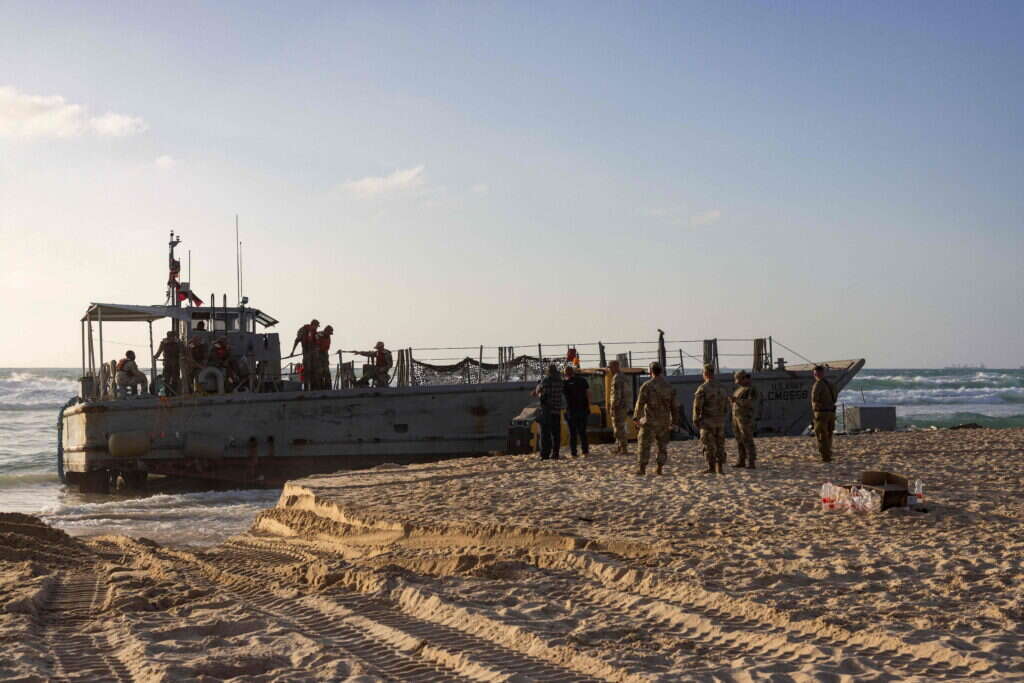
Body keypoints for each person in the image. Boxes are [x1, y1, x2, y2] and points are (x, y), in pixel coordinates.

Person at [632, 361, 678, 475]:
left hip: (650, 422)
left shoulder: (647, 386)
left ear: (651, 371)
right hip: (664, 422)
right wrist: (675, 422)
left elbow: (640, 403)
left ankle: (642, 469)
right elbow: (675, 407)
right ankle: (659, 468)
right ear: (661, 371)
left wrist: (636, 418)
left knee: (644, 445)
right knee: (662, 446)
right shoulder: (669, 387)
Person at [693, 364, 729, 474]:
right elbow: (726, 406)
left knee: (709, 445)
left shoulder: (703, 388)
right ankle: (720, 468)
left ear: (705, 373)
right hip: (720, 421)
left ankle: (712, 467)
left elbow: (697, 406)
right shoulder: (722, 388)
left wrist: (696, 419)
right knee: (720, 444)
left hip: (707, 422)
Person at [532, 364, 564, 460]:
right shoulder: (560, 381)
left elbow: (538, 392)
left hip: (547, 410)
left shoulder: (546, 380)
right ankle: (555, 454)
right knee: (556, 434)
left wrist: (538, 387)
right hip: (557, 410)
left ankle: (544, 454)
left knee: (545, 434)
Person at [730, 370, 761, 469]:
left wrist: (737, 400)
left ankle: (751, 462)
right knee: (739, 439)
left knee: (747, 439)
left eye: (739, 380)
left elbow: (751, 403)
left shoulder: (752, 390)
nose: (737, 382)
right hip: (737, 417)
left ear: (745, 378)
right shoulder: (739, 390)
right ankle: (741, 460)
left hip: (746, 418)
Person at [811, 364, 838, 462]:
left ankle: (825, 457)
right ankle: (829, 453)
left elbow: (814, 400)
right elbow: (835, 398)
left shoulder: (818, 384)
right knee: (829, 434)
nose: (815, 375)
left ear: (817, 374)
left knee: (822, 436)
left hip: (822, 414)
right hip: (831, 412)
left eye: (815, 373)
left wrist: (815, 413)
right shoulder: (830, 384)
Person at [562, 366, 590, 457]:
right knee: (582, 432)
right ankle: (585, 451)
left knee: (572, 433)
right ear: (573, 372)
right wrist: (588, 405)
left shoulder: (565, 383)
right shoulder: (582, 380)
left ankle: (574, 453)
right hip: (583, 409)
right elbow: (588, 393)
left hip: (571, 411)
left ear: (566, 373)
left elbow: (562, 396)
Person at [608, 360, 631, 454]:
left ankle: (623, 449)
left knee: (619, 428)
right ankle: (620, 447)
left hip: (619, 407)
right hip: (624, 405)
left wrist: (613, 407)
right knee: (620, 427)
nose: (609, 370)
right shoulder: (624, 377)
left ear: (615, 366)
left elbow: (617, 394)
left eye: (610, 367)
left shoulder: (617, 378)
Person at [290, 319, 320, 391]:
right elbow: (297, 340)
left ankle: (314, 388)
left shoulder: (314, 332)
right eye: (316, 326)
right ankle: (306, 388)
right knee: (307, 370)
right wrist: (292, 351)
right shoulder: (304, 331)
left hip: (313, 353)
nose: (316, 328)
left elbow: (316, 342)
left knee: (314, 370)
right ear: (313, 324)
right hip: (306, 353)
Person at [153, 330, 181, 395]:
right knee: (166, 378)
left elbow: (182, 352)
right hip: (167, 363)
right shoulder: (163, 343)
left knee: (175, 378)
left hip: (175, 363)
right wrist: (155, 357)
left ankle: (174, 393)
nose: (171, 337)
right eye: (169, 336)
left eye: (172, 336)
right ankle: (167, 393)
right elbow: (159, 351)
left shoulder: (178, 342)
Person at [316, 326, 334, 390]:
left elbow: (327, 347)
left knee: (327, 372)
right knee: (319, 372)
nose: (329, 334)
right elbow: (316, 345)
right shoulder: (319, 335)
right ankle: (320, 388)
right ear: (326, 331)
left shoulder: (328, 337)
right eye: (329, 333)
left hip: (324, 354)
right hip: (318, 355)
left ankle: (328, 388)